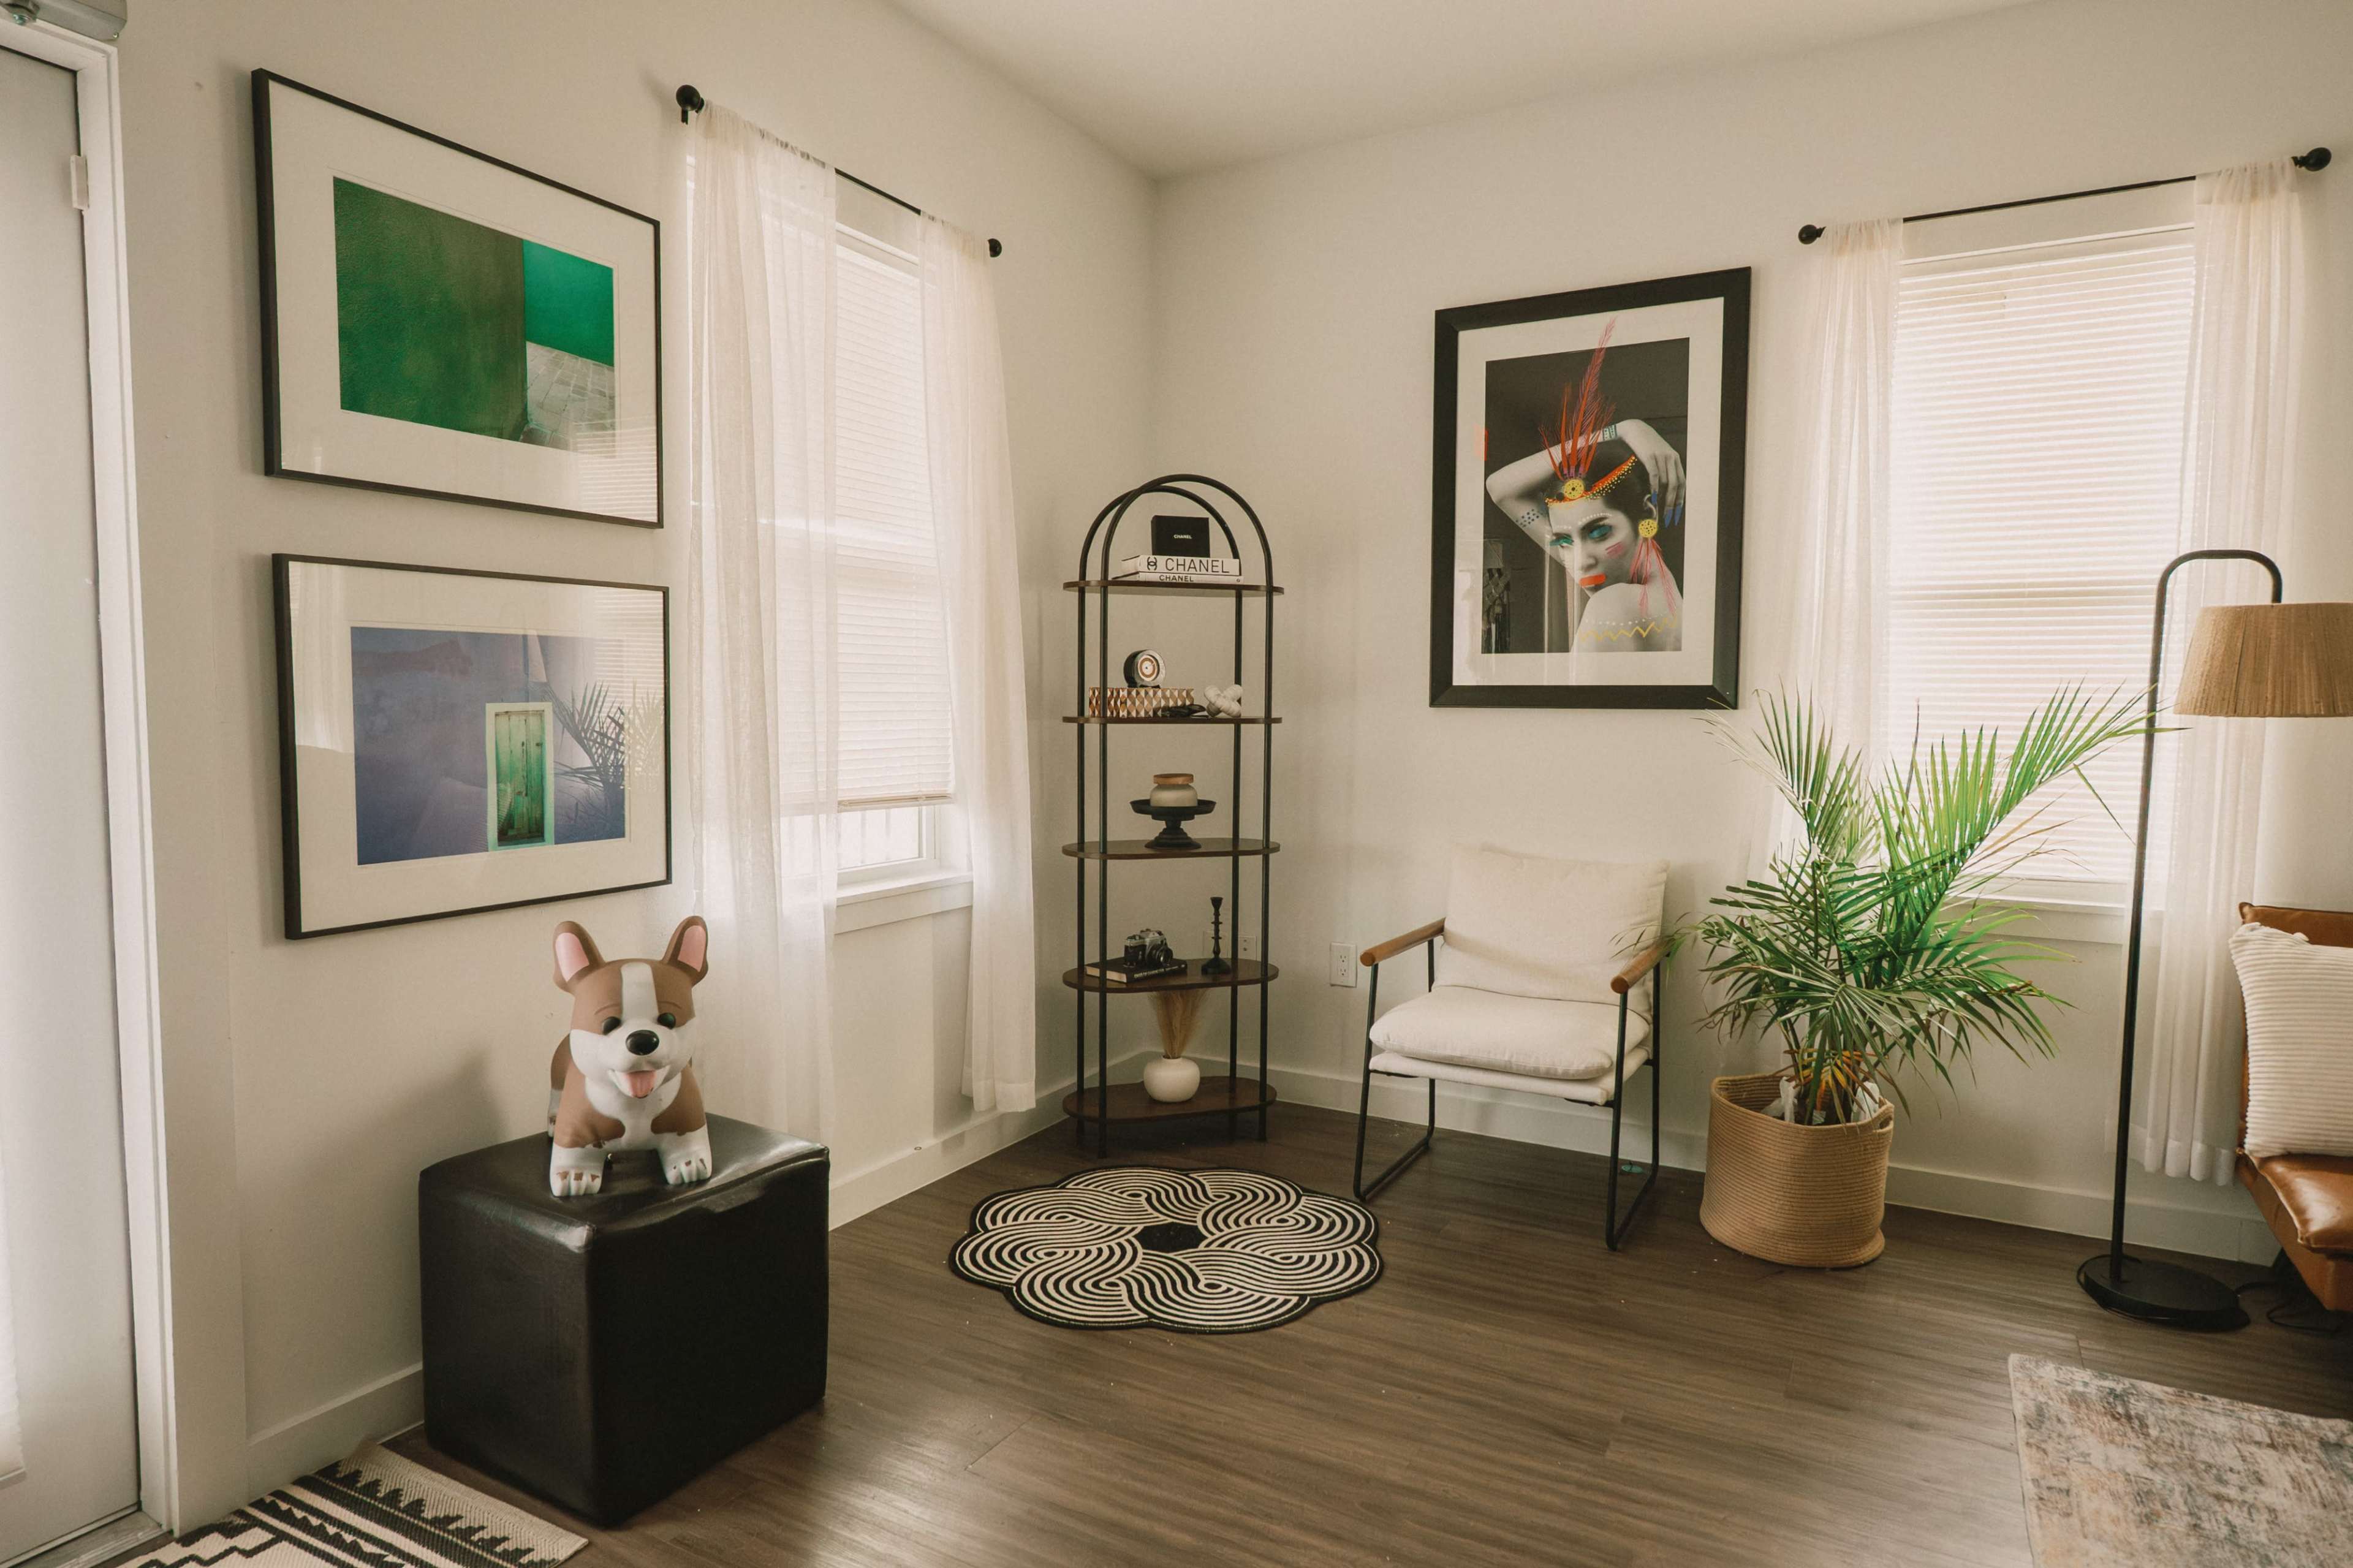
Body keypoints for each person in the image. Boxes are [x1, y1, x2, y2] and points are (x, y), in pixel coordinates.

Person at [1483, 327, 1687, 651]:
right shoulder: (1665, 600)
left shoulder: (1613, 605)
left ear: (1647, 515)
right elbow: (1500, 488)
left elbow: (1500, 488)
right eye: (1564, 541)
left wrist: (1624, 431)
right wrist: (1623, 430)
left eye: (1600, 533)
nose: (1580, 562)